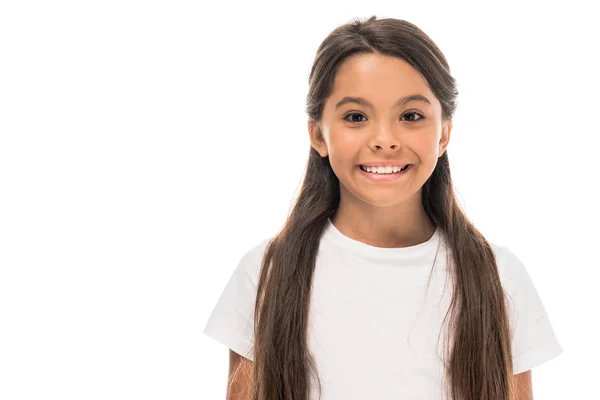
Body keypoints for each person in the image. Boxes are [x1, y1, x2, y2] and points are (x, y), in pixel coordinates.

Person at [203, 15, 562, 400]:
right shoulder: (266, 274)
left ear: (444, 132)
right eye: (356, 117)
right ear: (317, 134)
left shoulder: (499, 278)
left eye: (411, 116)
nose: (385, 140)